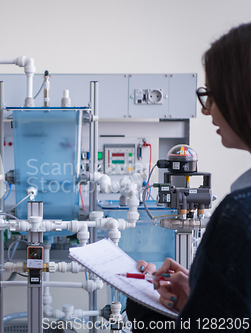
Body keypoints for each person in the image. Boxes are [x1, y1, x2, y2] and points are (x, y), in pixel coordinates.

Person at [126, 22, 251, 331]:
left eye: (211, 95)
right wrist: (202, 295)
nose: (207, 111)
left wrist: (145, 308)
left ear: (240, 95)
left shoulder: (239, 215)